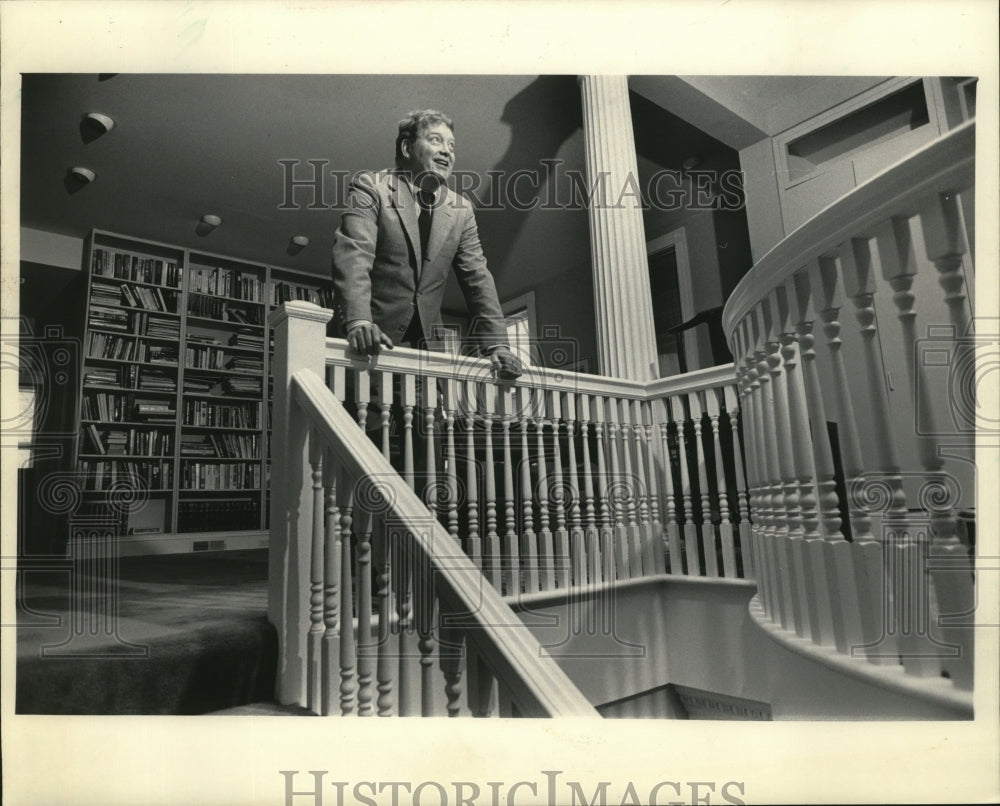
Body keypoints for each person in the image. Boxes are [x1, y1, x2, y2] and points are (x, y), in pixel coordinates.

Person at [331, 109, 523, 381]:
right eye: (435, 140)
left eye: (451, 145)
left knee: (430, 425)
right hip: (369, 346)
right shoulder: (371, 187)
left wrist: (498, 345)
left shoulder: (461, 209)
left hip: (427, 356)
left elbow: (478, 278)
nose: (447, 151)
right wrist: (359, 321)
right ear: (407, 147)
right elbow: (354, 256)